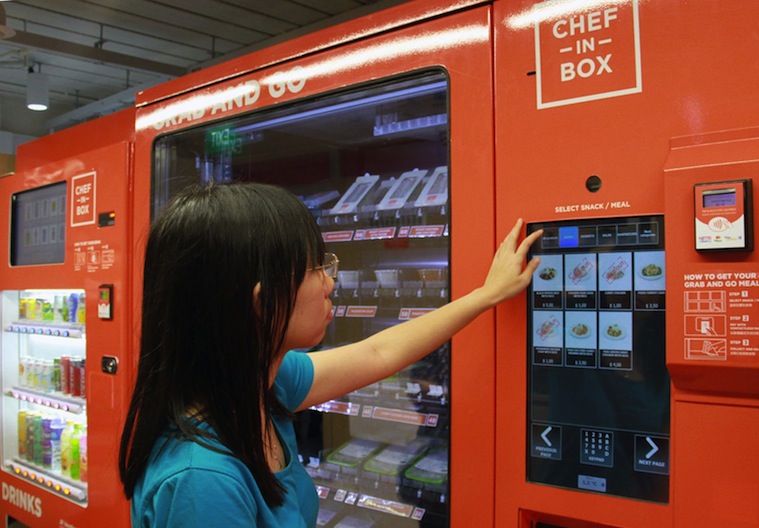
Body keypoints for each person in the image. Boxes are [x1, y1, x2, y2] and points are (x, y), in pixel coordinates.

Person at [118, 182, 542, 527]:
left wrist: (486, 295)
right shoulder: (204, 482)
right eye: (315, 269)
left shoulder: (259, 386)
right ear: (262, 306)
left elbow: (378, 351)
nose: (330, 282)